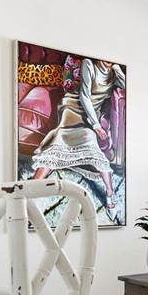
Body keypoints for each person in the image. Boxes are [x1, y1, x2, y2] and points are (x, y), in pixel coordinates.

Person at [32, 56, 125, 210]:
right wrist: (96, 125)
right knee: (58, 144)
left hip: (92, 114)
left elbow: (128, 85)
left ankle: (110, 192)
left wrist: (117, 69)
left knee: (91, 145)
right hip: (74, 108)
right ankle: (29, 191)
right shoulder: (89, 64)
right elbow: (84, 96)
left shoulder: (114, 72)